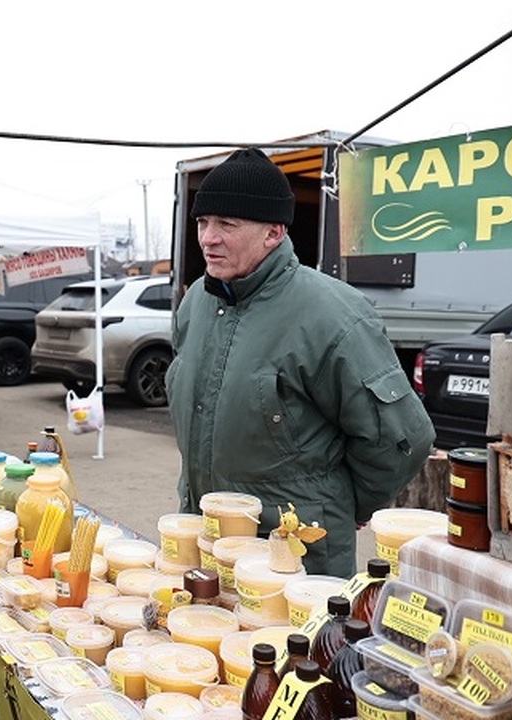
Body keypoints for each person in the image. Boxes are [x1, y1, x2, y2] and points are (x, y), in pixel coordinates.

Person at [166, 148, 435, 578]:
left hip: (295, 560)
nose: (207, 239)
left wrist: (348, 503)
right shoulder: (198, 300)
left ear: (273, 233)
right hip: (208, 541)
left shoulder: (333, 314)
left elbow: (402, 437)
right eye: (202, 222)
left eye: (226, 224)